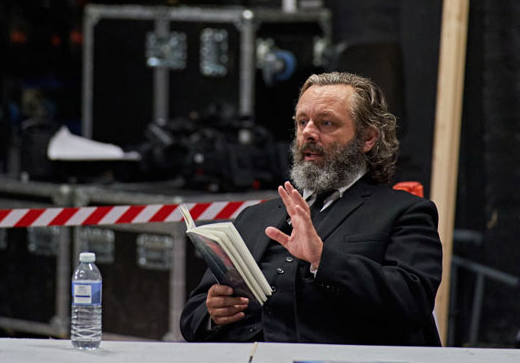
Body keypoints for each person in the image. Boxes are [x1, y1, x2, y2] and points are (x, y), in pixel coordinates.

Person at [180, 72, 443, 346]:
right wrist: (213, 313)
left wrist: (322, 259)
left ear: (367, 138)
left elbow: (412, 301)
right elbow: (191, 318)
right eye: (302, 122)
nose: (308, 133)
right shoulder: (255, 216)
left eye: (326, 123)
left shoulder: (406, 213)